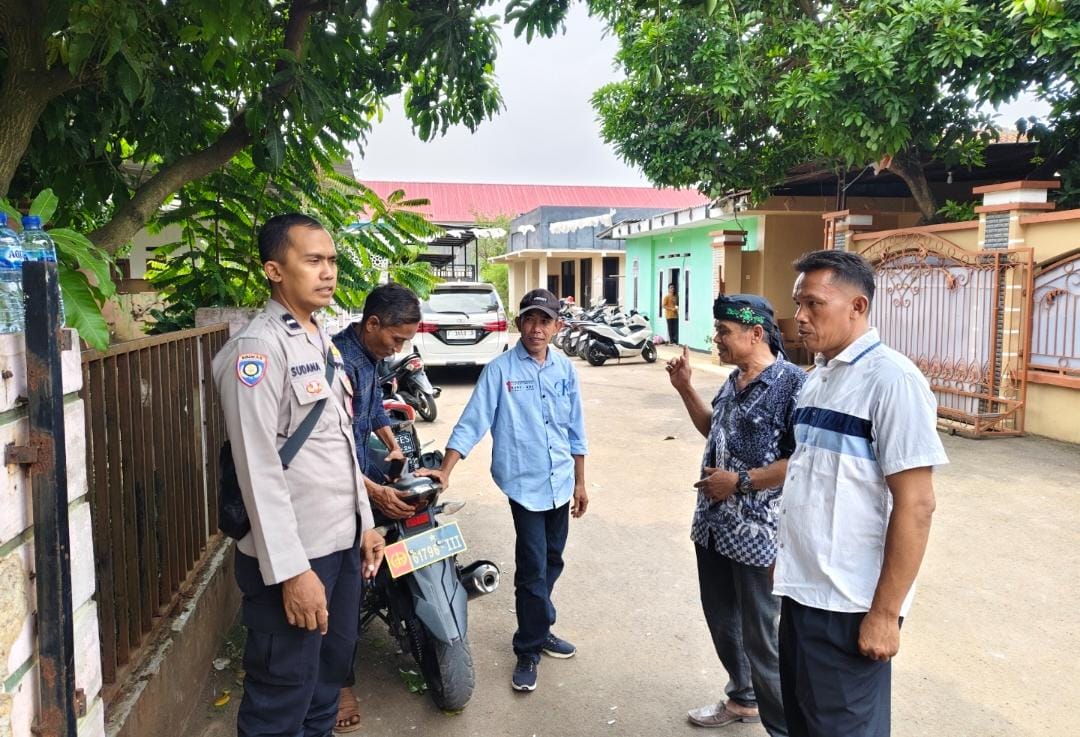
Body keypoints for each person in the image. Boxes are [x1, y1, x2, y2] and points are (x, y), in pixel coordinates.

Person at [212, 213, 386, 737]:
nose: (327, 271)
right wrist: (290, 572)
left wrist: (365, 525)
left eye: (331, 260)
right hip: (294, 556)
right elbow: (257, 469)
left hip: (341, 546)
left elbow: (340, 446)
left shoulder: (322, 341)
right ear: (274, 270)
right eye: (312, 260)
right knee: (280, 697)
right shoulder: (258, 349)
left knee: (324, 687)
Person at [774, 250, 947, 737]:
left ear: (858, 306)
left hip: (851, 605)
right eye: (797, 303)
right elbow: (809, 479)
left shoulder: (892, 381)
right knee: (804, 724)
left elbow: (916, 504)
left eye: (814, 304)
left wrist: (885, 614)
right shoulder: (818, 380)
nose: (801, 318)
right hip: (803, 593)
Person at [424, 288, 588, 693]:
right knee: (533, 567)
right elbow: (472, 421)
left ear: (557, 327)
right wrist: (446, 470)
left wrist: (581, 481)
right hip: (524, 484)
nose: (536, 328)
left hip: (561, 481)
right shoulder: (500, 371)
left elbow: (575, 428)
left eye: (545, 321)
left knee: (553, 560)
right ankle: (528, 647)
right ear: (519, 324)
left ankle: (539, 623)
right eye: (530, 319)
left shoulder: (564, 369)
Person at [666, 295, 806, 735]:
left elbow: (801, 461)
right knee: (722, 620)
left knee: (763, 638)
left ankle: (785, 728)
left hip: (759, 537)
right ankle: (743, 699)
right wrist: (686, 387)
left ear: (756, 333)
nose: (717, 339)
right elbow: (715, 428)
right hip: (712, 527)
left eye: (725, 332)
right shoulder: (734, 380)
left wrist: (740, 481)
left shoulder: (793, 385)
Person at [330, 282, 422, 733]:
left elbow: (376, 413)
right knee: (347, 591)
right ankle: (342, 683)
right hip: (339, 487)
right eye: (397, 339)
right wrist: (374, 491)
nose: (398, 348)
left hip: (365, 466)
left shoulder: (370, 359)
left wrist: (393, 445)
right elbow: (331, 449)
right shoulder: (338, 363)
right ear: (372, 324)